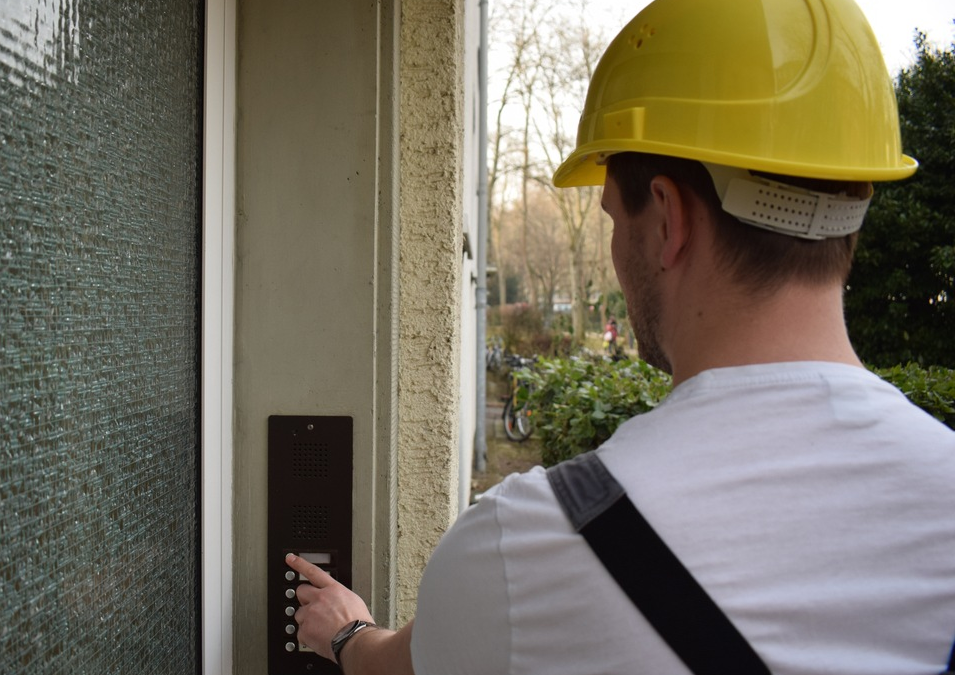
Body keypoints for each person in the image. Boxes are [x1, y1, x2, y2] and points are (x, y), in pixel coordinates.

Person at [286, 0, 955, 672]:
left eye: (612, 215)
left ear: (667, 218)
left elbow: (393, 665)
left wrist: (346, 635)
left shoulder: (524, 551)